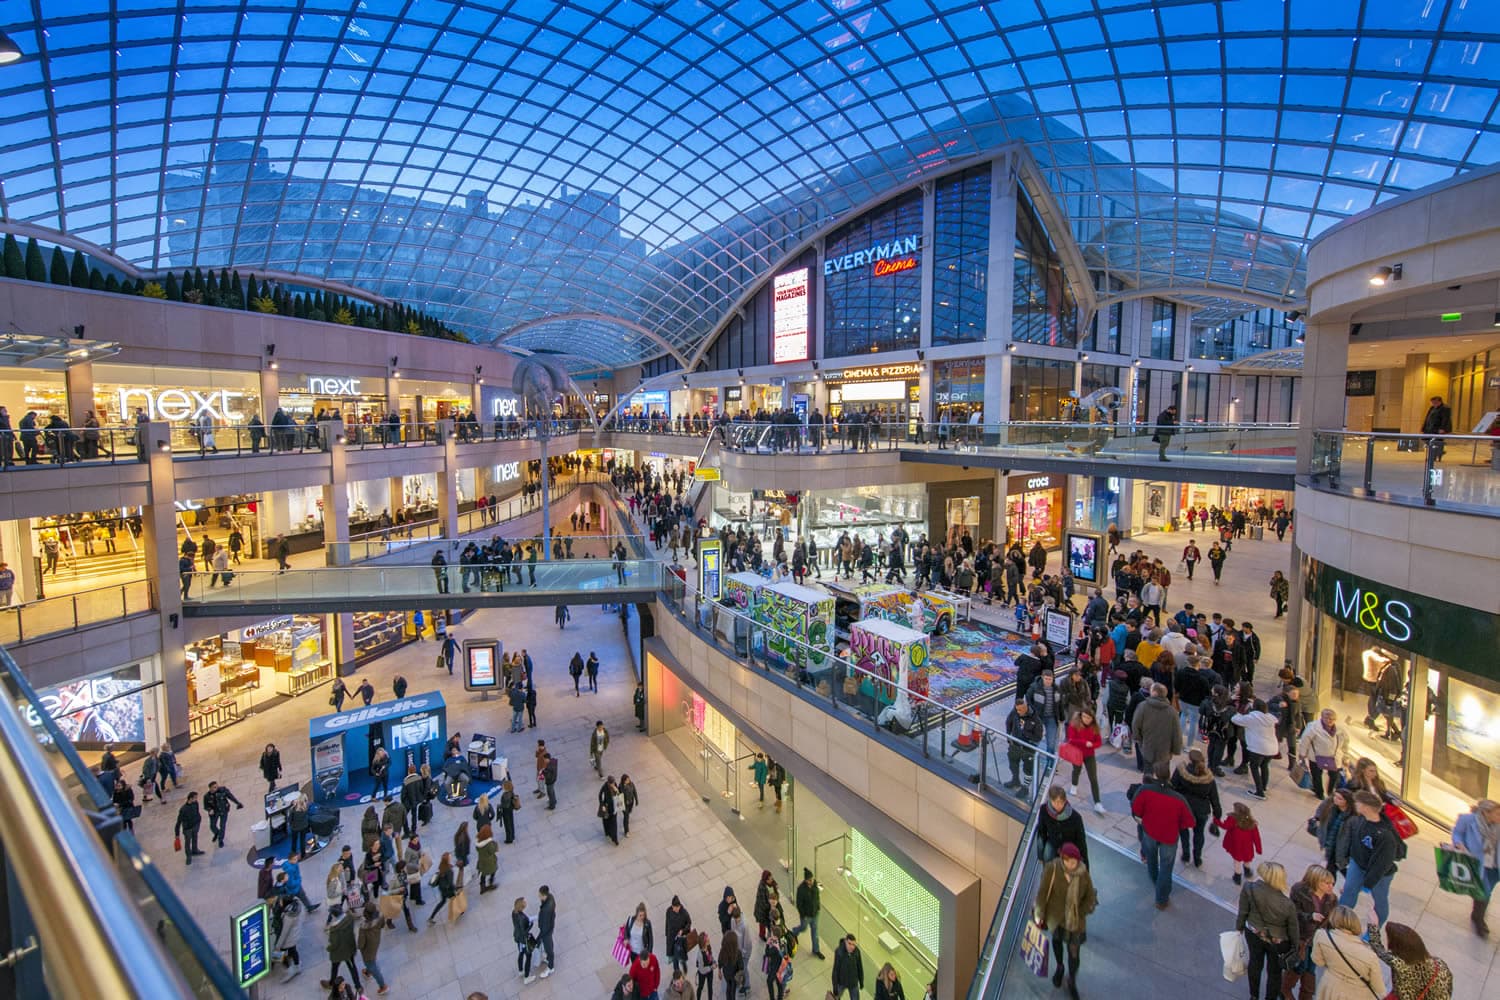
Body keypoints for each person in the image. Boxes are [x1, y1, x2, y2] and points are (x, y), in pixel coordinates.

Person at [1033, 842, 1096, 1000]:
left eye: (1074, 861)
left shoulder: (1083, 873)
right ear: (1062, 858)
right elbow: (1042, 893)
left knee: (1074, 953)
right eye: (1067, 861)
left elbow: (1090, 897)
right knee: (1057, 943)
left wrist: (1081, 912)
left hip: (1075, 922)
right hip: (1057, 919)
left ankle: (1072, 980)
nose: (1071, 864)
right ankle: (1060, 967)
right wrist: (1039, 913)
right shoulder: (1052, 869)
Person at [1129, 761, 1195, 909]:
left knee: (1151, 859)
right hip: (1169, 837)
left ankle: (1155, 881)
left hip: (1150, 832)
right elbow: (1190, 821)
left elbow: (1136, 809)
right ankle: (1161, 898)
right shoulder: (1178, 799)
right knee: (1166, 867)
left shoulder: (1145, 790)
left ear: (1155, 775)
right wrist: (1178, 826)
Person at [1336, 790, 1402, 927]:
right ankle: (1338, 921)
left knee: (1379, 901)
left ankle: (1374, 931)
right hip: (1358, 863)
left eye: (1358, 803)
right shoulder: (1360, 820)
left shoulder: (1385, 835)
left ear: (1366, 806)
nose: (1355, 805)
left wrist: (1368, 884)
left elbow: (1382, 864)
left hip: (1381, 874)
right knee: (1349, 891)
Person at [1237, 861, 1298, 1000]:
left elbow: (1243, 912)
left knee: (1255, 963)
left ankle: (1254, 995)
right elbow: (1293, 928)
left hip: (1253, 933)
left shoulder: (1249, 888)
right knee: (1275, 973)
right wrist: (1294, 946)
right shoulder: (1287, 904)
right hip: (1278, 942)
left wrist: (1239, 928)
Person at [1311, 906, 1384, 1000]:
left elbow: (1318, 961)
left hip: (1329, 987)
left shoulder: (1321, 936)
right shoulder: (1369, 956)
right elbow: (1378, 987)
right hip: (1356, 994)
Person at [1451, 798, 1500, 936]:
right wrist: (1458, 843)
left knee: (1487, 890)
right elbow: (1457, 833)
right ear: (1486, 813)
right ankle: (1479, 920)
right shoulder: (1468, 820)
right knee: (1483, 891)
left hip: (1495, 864)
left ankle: (1477, 914)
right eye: (1497, 814)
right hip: (1479, 861)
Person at [1370, 924, 1453, 1000]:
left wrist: (1373, 925)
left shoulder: (1400, 964)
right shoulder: (1439, 963)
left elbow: (1378, 949)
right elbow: (1448, 988)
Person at [1170, 748, 1222, 869]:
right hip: (1201, 811)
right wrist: (1217, 816)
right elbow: (1215, 799)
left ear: (1190, 759)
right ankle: (1197, 858)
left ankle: (1186, 854)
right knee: (1199, 833)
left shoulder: (1181, 771)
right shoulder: (1208, 778)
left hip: (1184, 808)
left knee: (1183, 832)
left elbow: (1172, 787)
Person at [1232, 698, 1280, 799]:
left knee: (1254, 767)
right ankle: (1263, 786)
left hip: (1258, 747)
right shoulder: (1270, 717)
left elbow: (1235, 719)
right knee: (1264, 766)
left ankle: (1259, 792)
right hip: (1272, 748)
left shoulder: (1252, 718)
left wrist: (1239, 711)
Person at [1296, 709, 1350, 800]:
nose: (1330, 721)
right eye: (1327, 718)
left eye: (1332, 719)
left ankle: (1330, 792)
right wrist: (1302, 753)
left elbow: (1345, 742)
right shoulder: (1313, 727)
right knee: (1316, 775)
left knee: (1334, 775)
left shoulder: (1340, 729)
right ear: (1322, 717)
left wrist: (1345, 755)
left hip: (1334, 757)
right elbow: (1305, 740)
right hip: (1316, 756)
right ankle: (1319, 792)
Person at [1131, 682, 1182, 774]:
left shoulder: (1143, 706)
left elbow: (1135, 725)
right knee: (1163, 775)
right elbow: (1177, 733)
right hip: (1165, 752)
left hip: (1147, 748)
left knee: (1148, 774)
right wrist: (1176, 749)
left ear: (1154, 693)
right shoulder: (1172, 712)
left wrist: (1138, 740)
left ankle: (1148, 788)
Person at [1063, 708, 1105, 811]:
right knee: (1076, 770)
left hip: (1089, 754)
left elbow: (1099, 742)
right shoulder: (1074, 725)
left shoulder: (1094, 728)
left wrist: (1092, 745)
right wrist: (1085, 743)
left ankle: (1097, 802)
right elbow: (1072, 740)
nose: (1086, 719)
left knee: (1093, 778)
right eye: (1084, 717)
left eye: (1089, 718)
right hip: (1077, 753)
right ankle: (1074, 784)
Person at [1215, 802, 1264, 885]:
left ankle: (1237, 877)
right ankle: (1247, 871)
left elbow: (1225, 826)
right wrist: (1258, 849)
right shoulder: (1252, 823)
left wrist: (1216, 821)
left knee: (1237, 861)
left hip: (1236, 847)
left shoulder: (1232, 820)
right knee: (1247, 860)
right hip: (1247, 847)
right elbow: (1256, 838)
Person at [1004, 697, 1044, 792]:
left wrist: (1025, 732)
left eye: (1020, 710)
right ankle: (1015, 780)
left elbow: (1038, 737)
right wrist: (1008, 736)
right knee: (1013, 763)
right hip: (1015, 745)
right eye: (1017, 709)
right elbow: (1008, 722)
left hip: (1028, 748)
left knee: (1028, 769)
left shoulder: (1036, 719)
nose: (1018, 712)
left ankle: (1025, 788)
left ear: (1026, 708)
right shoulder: (1015, 712)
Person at [322, 904, 362, 994]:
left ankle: (331, 983)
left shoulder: (334, 929)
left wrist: (328, 948)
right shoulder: (350, 918)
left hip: (339, 952)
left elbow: (334, 944)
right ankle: (358, 986)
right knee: (352, 967)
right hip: (349, 947)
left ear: (334, 915)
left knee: (335, 966)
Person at [357, 904, 391, 995]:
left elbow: (361, 944)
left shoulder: (363, 927)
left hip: (367, 949)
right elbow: (382, 925)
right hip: (376, 941)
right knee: (372, 959)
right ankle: (368, 972)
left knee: (372, 965)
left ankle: (383, 986)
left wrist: (358, 946)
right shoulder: (380, 916)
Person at [790, 868, 823, 959]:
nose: (811, 881)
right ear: (805, 880)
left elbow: (817, 897)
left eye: (812, 879)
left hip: (815, 913)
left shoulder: (815, 885)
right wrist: (803, 915)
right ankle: (794, 932)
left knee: (815, 932)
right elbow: (799, 904)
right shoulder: (801, 889)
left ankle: (816, 950)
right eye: (809, 880)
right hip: (806, 916)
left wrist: (818, 907)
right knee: (803, 928)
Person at [203, 780, 244, 848]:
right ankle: (217, 833)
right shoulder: (206, 796)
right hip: (214, 813)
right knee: (212, 826)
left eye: (217, 786)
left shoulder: (223, 790)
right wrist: (209, 810)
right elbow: (205, 806)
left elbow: (230, 796)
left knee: (222, 825)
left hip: (223, 811)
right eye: (214, 787)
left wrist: (237, 803)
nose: (217, 788)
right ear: (210, 788)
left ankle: (220, 839)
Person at [426, 852, 458, 924]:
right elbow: (450, 883)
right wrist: (456, 889)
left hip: (442, 888)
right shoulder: (449, 871)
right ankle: (456, 912)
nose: (451, 858)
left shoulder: (442, 866)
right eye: (450, 857)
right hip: (448, 889)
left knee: (442, 901)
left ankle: (431, 917)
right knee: (454, 899)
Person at [831, 934, 864, 1000]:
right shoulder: (839, 952)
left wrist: (861, 981)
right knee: (835, 997)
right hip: (841, 982)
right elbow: (836, 970)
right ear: (845, 941)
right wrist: (835, 986)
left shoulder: (857, 952)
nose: (852, 947)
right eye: (849, 943)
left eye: (853, 944)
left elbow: (859, 967)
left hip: (853, 982)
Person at [174, 790, 203, 865]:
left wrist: (199, 820)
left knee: (195, 838)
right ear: (190, 798)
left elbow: (197, 812)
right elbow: (178, 822)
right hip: (188, 829)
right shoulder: (183, 809)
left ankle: (195, 850)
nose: (196, 799)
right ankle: (188, 856)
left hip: (195, 825)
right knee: (187, 842)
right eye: (195, 798)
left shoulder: (196, 803)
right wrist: (177, 834)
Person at [513, 896, 538, 983]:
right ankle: (527, 977)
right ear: (521, 906)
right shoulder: (522, 918)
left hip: (518, 938)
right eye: (524, 902)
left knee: (520, 953)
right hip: (524, 940)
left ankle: (520, 970)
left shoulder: (514, 912)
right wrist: (531, 925)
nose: (526, 902)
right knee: (528, 956)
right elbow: (524, 931)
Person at [717, 931, 742, 1000]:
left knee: (728, 986)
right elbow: (741, 967)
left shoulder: (723, 950)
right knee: (733, 990)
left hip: (726, 973)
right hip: (734, 976)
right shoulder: (738, 953)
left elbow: (720, 961)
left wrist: (719, 971)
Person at [599, 776, 622, 845]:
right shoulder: (604, 787)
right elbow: (600, 795)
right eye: (611, 783)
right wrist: (602, 805)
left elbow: (619, 795)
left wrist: (617, 790)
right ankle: (607, 832)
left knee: (614, 823)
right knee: (606, 821)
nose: (613, 784)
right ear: (608, 783)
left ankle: (615, 839)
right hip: (606, 807)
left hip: (614, 808)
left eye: (613, 782)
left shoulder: (615, 785)